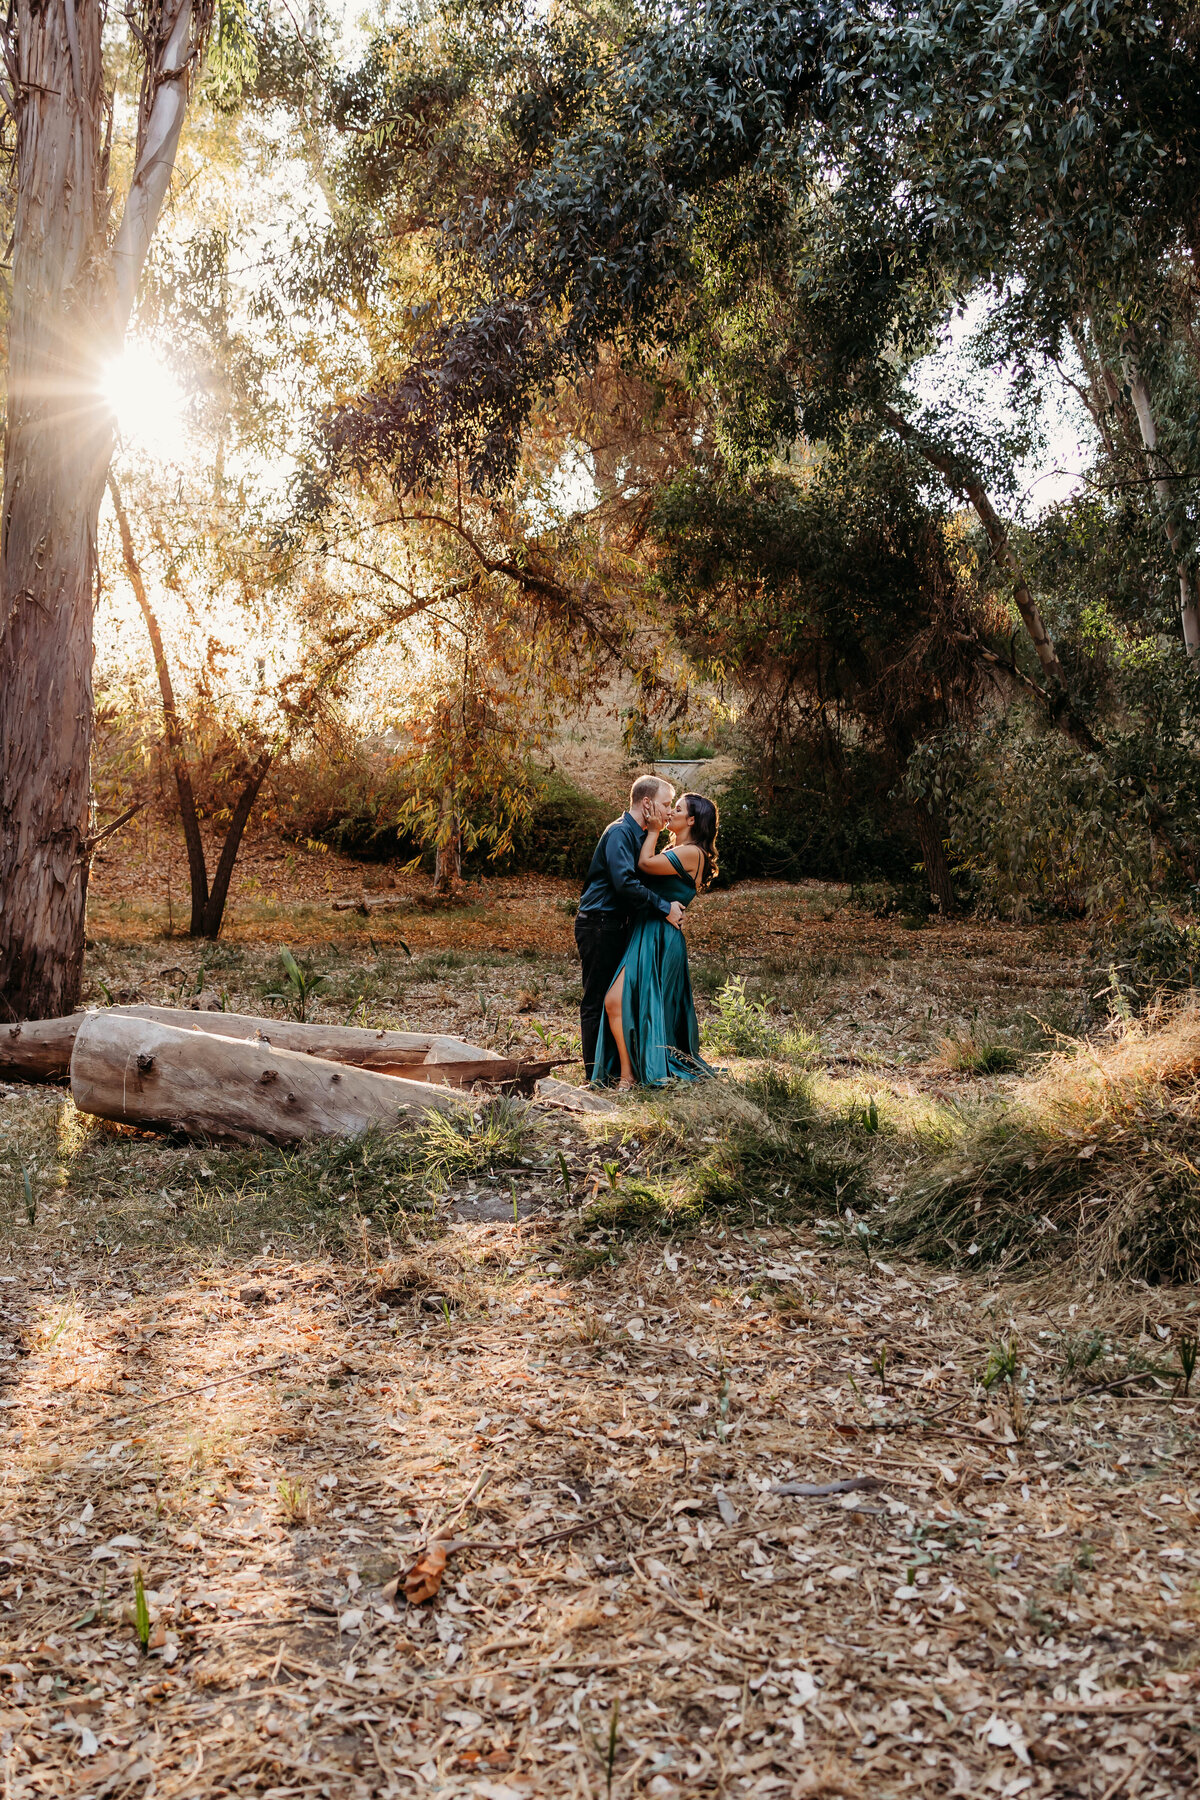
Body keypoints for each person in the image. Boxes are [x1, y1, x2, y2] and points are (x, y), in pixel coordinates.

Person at [593, 791, 720, 1089]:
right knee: (619, 1002)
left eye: (676, 809)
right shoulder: (678, 848)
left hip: (660, 937)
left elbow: (645, 866)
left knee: (631, 1003)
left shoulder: (693, 853)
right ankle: (627, 1073)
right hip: (647, 931)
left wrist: (652, 830)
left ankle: (632, 1075)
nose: (669, 813)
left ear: (691, 820)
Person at [575, 776, 684, 1081]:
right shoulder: (621, 833)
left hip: (615, 927)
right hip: (599, 925)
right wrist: (665, 908)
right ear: (646, 803)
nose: (668, 812)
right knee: (597, 1000)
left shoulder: (641, 836)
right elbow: (625, 884)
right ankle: (595, 1077)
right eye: (665, 804)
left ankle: (614, 1070)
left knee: (617, 999)